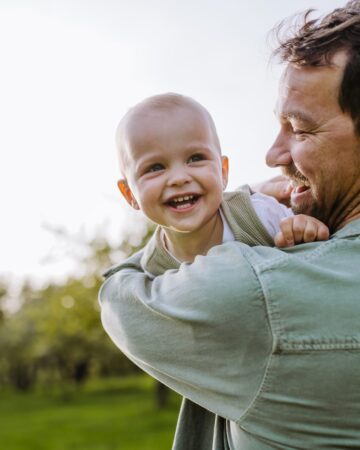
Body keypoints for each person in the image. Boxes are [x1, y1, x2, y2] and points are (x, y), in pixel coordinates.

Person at [100, 1, 360, 448]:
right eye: (154, 169)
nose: (273, 155)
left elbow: (117, 297)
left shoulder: (250, 289)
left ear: (220, 168)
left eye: (299, 129)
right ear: (129, 191)